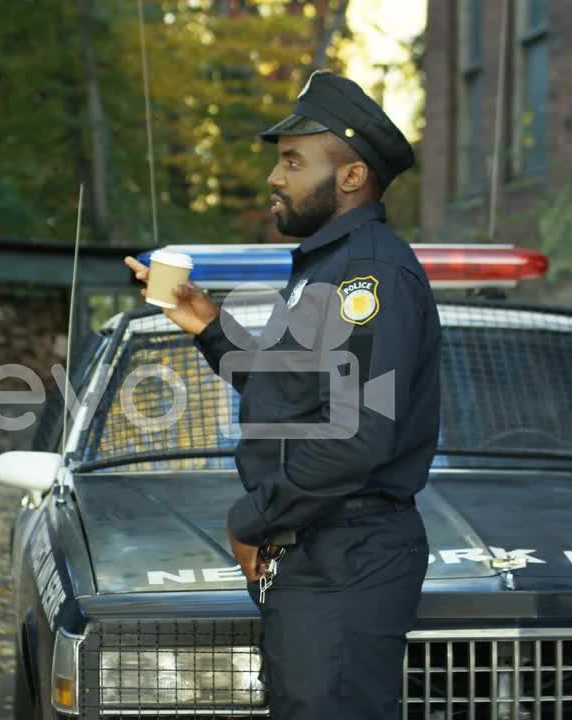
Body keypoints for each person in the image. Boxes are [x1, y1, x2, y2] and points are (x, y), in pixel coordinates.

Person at [124, 70, 440, 719]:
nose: (275, 177)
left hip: (346, 559)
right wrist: (211, 325)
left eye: (293, 162)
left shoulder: (367, 273)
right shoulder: (331, 268)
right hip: (322, 558)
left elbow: (353, 434)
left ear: (350, 176)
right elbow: (291, 395)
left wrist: (253, 518)